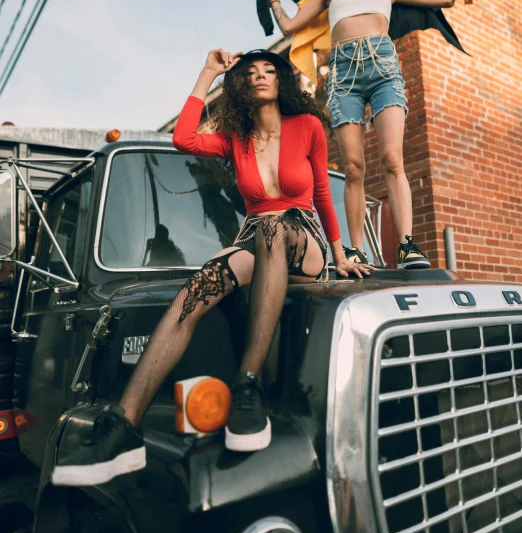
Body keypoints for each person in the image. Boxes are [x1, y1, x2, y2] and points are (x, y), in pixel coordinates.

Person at [51, 48, 372, 487]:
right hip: (254, 237)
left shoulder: (308, 127)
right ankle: (124, 427)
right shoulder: (234, 136)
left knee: (274, 226)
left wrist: (339, 254)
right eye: (252, 73)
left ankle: (247, 384)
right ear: (241, 85)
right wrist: (207, 73)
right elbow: (184, 139)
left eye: (269, 70)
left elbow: (319, 192)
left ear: (282, 81)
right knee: (196, 288)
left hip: (302, 239)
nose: (261, 76)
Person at [265, 0, 462, 270]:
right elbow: (291, 26)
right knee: (353, 166)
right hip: (344, 77)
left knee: (392, 158)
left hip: (384, 70)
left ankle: (406, 246)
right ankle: (356, 250)